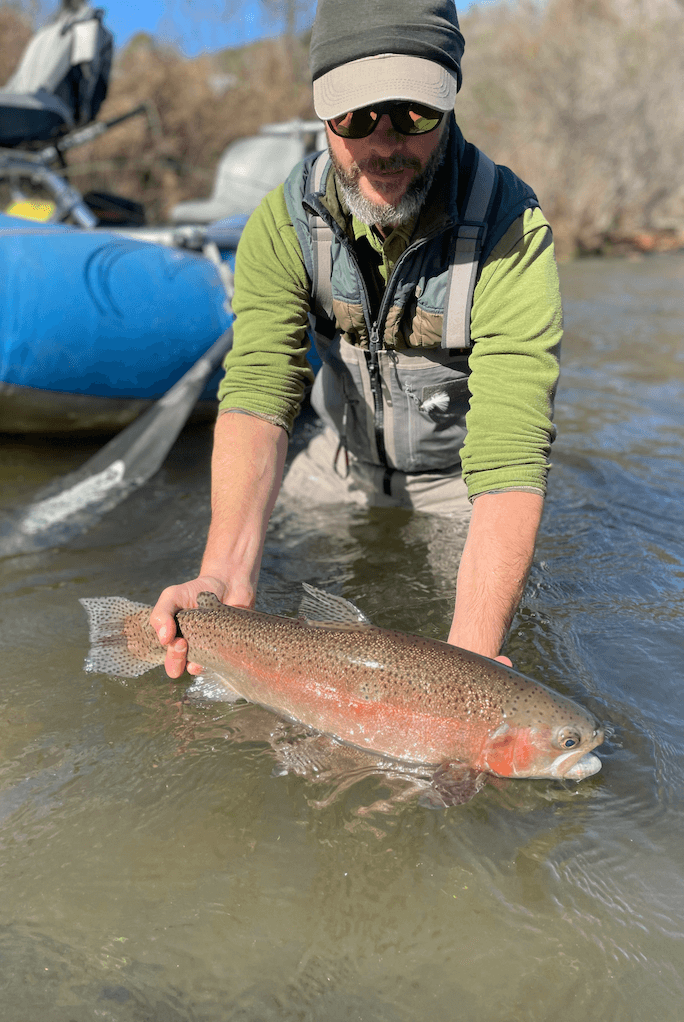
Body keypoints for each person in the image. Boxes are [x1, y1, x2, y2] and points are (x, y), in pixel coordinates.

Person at [150, 0, 562, 677]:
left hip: (459, 486)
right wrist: (222, 581)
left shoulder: (512, 232)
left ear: (450, 105)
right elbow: (259, 391)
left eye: (414, 113)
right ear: (321, 112)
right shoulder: (280, 226)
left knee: (506, 642)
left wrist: (468, 675)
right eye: (354, 116)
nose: (385, 141)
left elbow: (512, 452)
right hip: (336, 467)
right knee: (256, 594)